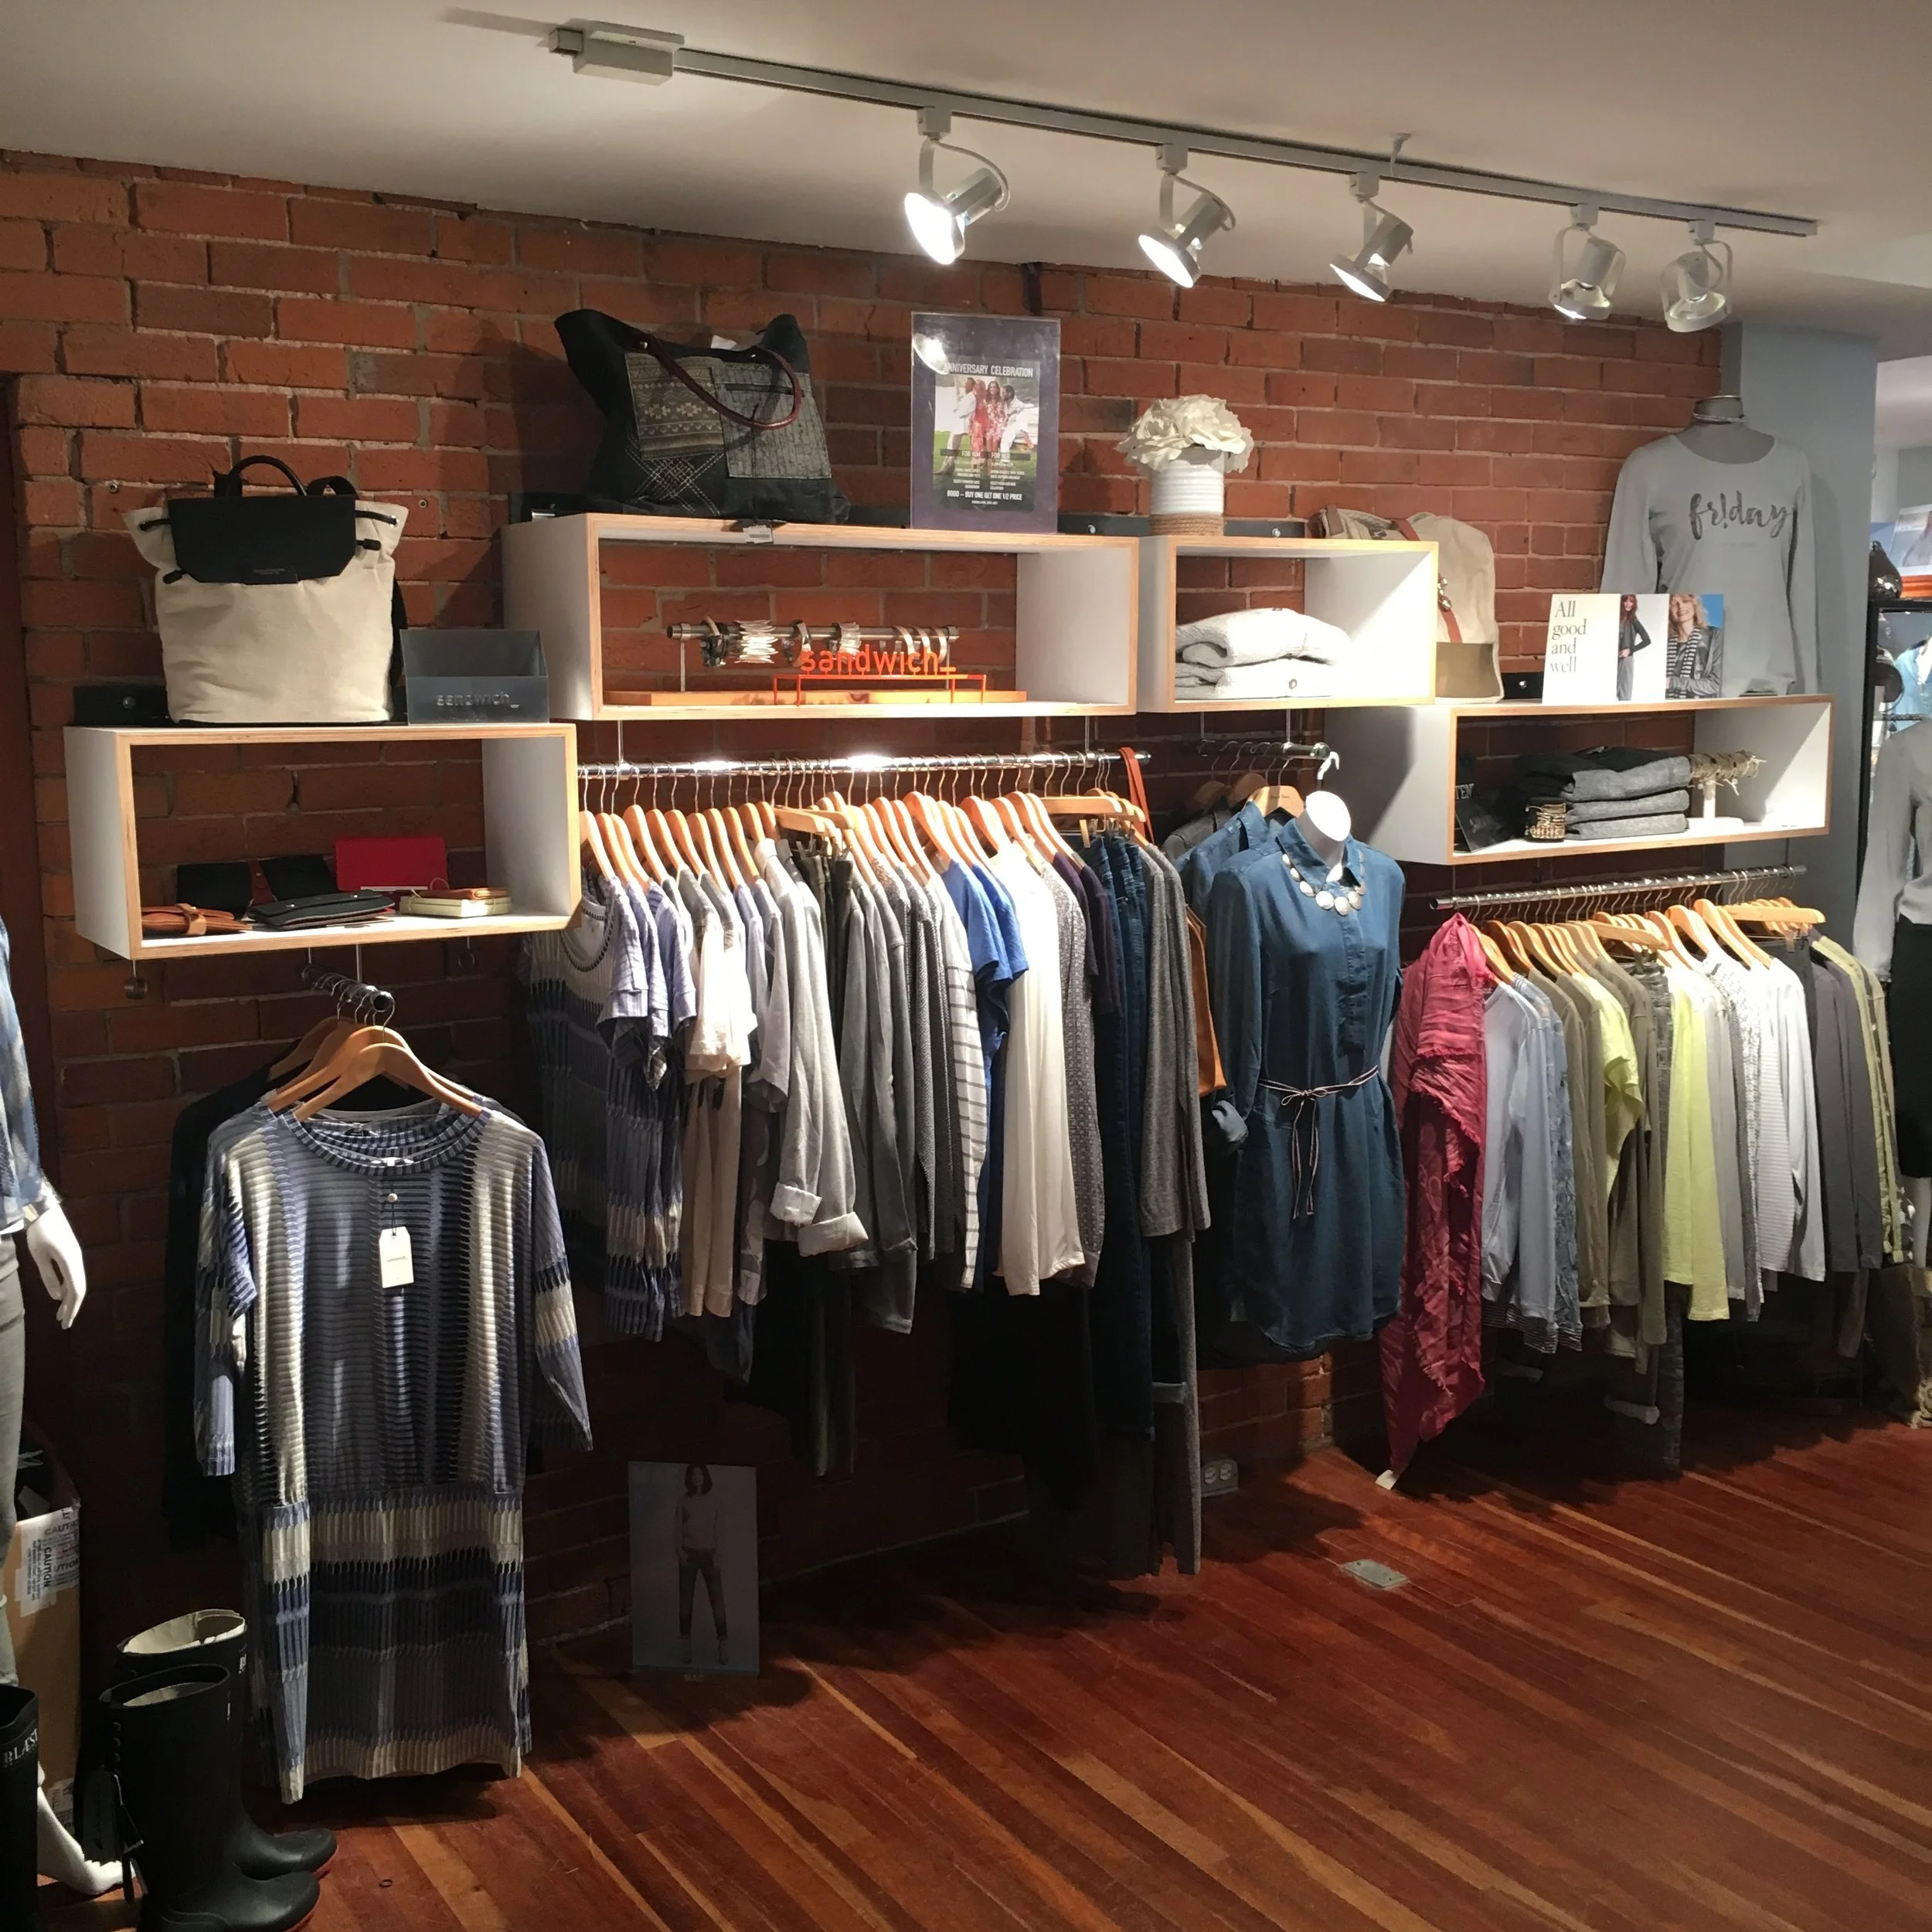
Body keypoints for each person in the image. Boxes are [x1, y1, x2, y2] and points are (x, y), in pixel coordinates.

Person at [675, 1463, 727, 1665]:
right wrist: (679, 1552)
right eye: (693, 1474)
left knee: (717, 1601)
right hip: (689, 1554)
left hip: (709, 1554)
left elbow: (719, 1528)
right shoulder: (683, 1501)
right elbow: (677, 1528)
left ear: (705, 1477)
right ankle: (686, 1647)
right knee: (686, 1601)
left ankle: (723, 1645)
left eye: (700, 1474)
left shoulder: (714, 1501)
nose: (697, 1477)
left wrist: (718, 1555)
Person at [1665, 592, 1723, 699]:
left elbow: (1715, 685)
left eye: (1685, 601)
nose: (1680, 606)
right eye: (1674, 604)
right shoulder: (1664, 642)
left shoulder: (1713, 637)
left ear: (1694, 605)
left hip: (1702, 709)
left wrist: (1672, 682)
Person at [1615, 593, 1651, 702]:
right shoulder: (1615, 617)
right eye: (1626, 601)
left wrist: (1630, 650)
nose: (1628, 604)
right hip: (1612, 659)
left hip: (1626, 660)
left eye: (1631, 601)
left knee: (1624, 694)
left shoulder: (1633, 620)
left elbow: (1647, 640)